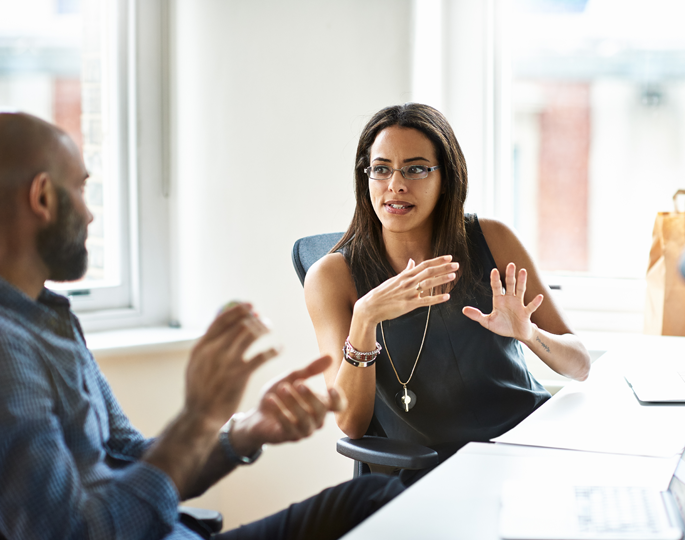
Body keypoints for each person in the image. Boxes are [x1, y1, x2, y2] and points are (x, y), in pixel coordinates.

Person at [0, 112, 404, 540]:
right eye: (81, 189)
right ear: (43, 198)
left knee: (377, 497)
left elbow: (136, 462)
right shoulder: (9, 348)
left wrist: (247, 431)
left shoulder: (49, 318)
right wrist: (198, 416)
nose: (89, 215)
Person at [304, 103, 592, 483]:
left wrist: (530, 335)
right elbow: (351, 424)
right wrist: (365, 318)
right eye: (381, 169)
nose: (396, 185)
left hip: (527, 451)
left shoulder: (493, 239)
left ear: (447, 177)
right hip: (432, 473)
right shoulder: (331, 276)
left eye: (416, 168)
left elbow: (581, 366)